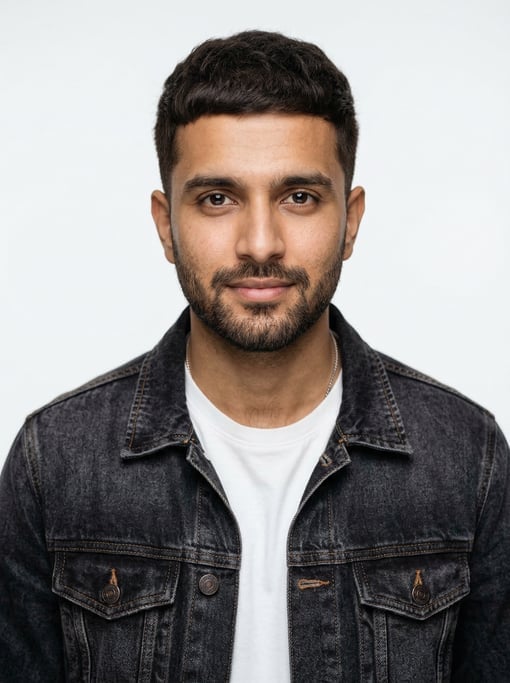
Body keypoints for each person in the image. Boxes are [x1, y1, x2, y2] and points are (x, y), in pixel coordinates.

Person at [0, 29, 508, 683]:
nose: (259, 243)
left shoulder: (469, 459)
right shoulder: (56, 461)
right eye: (218, 198)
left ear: (350, 220)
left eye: (299, 197)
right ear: (166, 225)